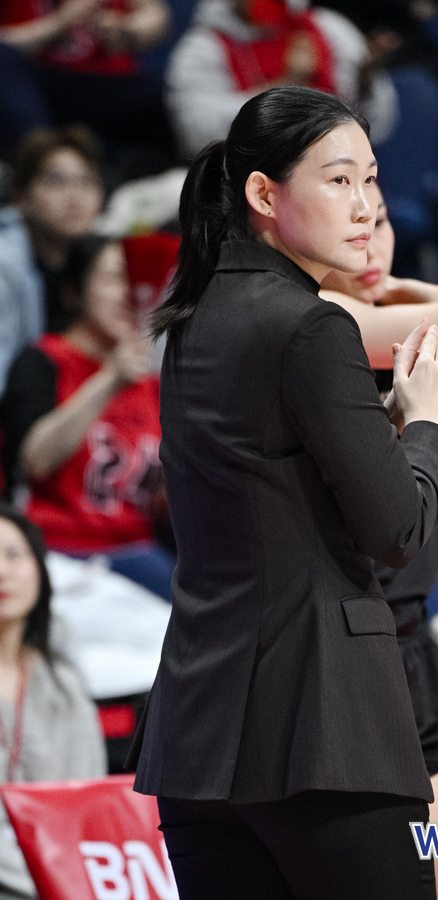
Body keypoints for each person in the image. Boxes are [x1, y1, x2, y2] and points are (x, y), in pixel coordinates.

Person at [128, 85, 438, 900]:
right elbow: (399, 531)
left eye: (371, 180)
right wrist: (429, 418)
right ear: (264, 193)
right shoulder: (312, 324)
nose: (363, 206)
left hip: (199, 732)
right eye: (338, 180)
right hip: (323, 727)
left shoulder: (193, 317)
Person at [321, 192, 438, 900]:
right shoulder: (318, 328)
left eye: (381, 223)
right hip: (336, 671)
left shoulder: (425, 358)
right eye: (354, 226)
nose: (372, 243)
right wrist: (399, 288)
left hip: (414, 666)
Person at [1, 235, 174, 601]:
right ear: (73, 292)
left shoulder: (155, 385)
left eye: (135, 280)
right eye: (113, 278)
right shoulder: (44, 360)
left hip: (135, 550)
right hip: (58, 549)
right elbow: (35, 461)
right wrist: (109, 380)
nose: (127, 293)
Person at [0, 504, 106, 899]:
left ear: (40, 570)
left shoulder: (63, 682)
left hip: (63, 880)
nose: (1, 571)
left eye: (14, 555)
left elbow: (86, 799)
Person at [164, 0, 391, 157]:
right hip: (246, 185)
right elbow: (196, 136)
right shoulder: (202, 47)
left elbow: (377, 128)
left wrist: (365, 83)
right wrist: (287, 84)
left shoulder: (328, 27)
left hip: (336, 171)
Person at [0, 126, 104, 395]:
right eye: (56, 181)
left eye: (87, 181)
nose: (75, 196)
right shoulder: (4, 268)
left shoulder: (99, 256)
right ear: (22, 197)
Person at [0, 0, 171, 158]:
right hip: (39, 85)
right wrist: (59, 23)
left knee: (170, 96)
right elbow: (4, 48)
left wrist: (125, 29)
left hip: (111, 84)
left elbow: (156, 17)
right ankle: (40, 161)